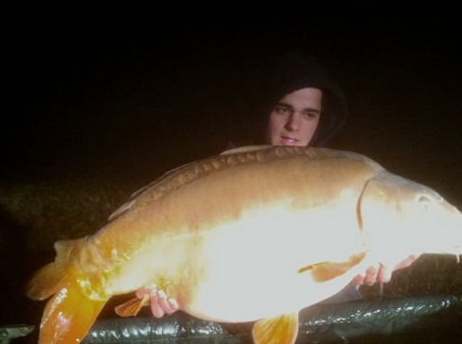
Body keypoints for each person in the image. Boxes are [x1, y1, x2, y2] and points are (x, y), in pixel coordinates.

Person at [138, 50, 417, 317]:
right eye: (283, 109)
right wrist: (173, 287)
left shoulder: (340, 180)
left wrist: (373, 267)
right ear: (264, 108)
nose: (294, 125)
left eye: (309, 114)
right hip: (239, 310)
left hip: (321, 314)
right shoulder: (218, 178)